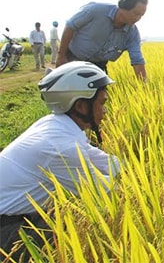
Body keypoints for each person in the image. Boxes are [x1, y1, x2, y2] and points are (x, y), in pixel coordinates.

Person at [0, 61, 120, 261]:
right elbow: (106, 192)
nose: (105, 111)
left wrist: (135, 167)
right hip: (5, 228)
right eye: (102, 103)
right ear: (81, 105)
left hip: (14, 214)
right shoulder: (60, 148)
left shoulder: (55, 125)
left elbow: (102, 160)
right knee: (74, 234)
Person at [55, 0, 148, 80]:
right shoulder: (96, 11)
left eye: (141, 16)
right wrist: (61, 55)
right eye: (136, 14)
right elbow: (70, 26)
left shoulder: (132, 33)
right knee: (64, 91)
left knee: (97, 96)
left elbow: (137, 60)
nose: (138, 19)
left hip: (97, 67)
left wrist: (144, 86)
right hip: (71, 58)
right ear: (124, 8)